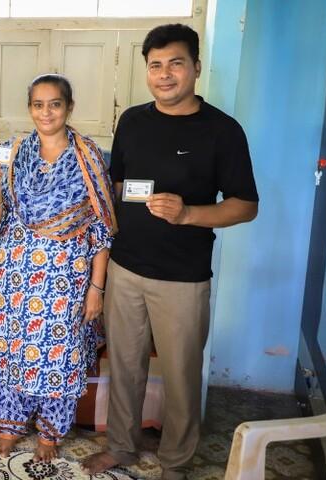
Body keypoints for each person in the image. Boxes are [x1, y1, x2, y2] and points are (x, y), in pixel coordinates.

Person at [82, 24, 259, 480]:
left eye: (175, 63)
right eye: (155, 66)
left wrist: (187, 215)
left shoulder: (222, 130)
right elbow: (118, 186)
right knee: (124, 365)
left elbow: (245, 206)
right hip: (125, 267)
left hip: (183, 277)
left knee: (180, 378)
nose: (164, 75)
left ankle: (176, 464)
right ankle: (121, 446)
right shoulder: (133, 121)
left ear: (196, 68)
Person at [0, 74, 116, 461]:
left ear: (69, 107)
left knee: (59, 352)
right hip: (13, 274)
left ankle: (49, 436)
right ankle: (9, 425)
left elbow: (102, 230)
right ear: (29, 109)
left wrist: (96, 288)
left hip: (65, 275)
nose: (46, 112)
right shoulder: (12, 152)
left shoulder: (89, 157)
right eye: (37, 104)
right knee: (10, 349)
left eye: (54, 104)